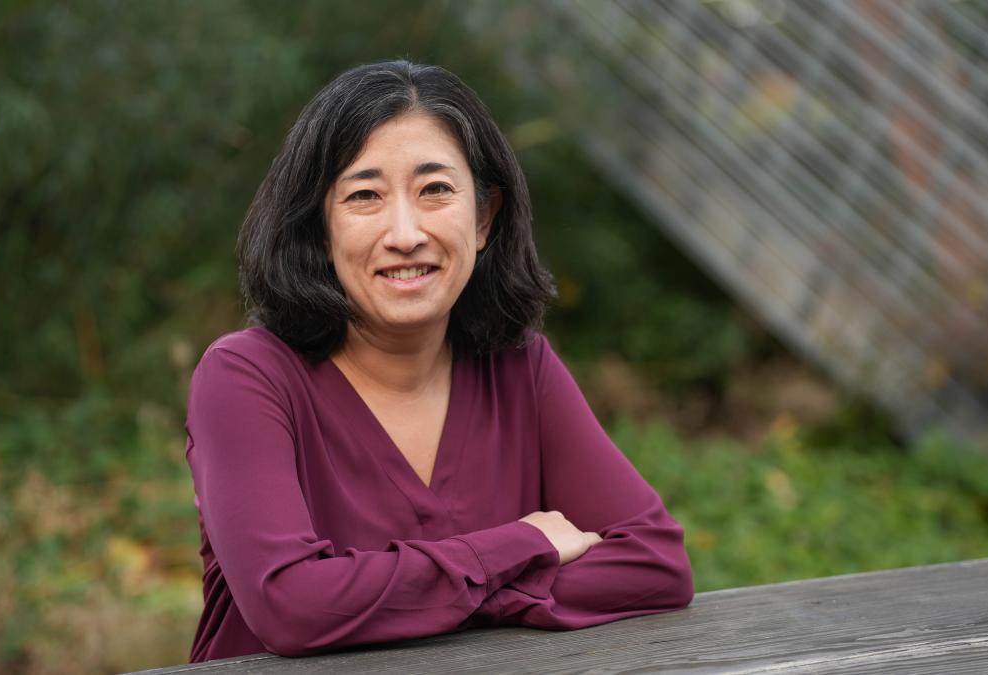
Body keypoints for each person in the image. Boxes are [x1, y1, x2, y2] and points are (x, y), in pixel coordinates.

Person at [184, 60, 694, 662]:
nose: (405, 233)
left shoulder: (518, 366)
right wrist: (519, 545)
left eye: (436, 190)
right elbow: (293, 606)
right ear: (319, 228)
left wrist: (457, 593)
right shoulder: (247, 377)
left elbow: (656, 563)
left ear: (483, 219)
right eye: (365, 195)